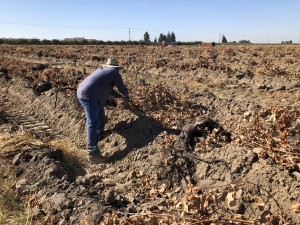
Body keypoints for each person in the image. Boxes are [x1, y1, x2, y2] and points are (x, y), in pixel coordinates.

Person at [77, 58, 130, 164]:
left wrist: (120, 96)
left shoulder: (102, 71)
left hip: (83, 93)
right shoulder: (114, 72)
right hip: (89, 96)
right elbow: (121, 87)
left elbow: (110, 90)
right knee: (93, 122)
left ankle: (99, 134)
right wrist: (127, 96)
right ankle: (93, 154)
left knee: (101, 115)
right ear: (116, 68)